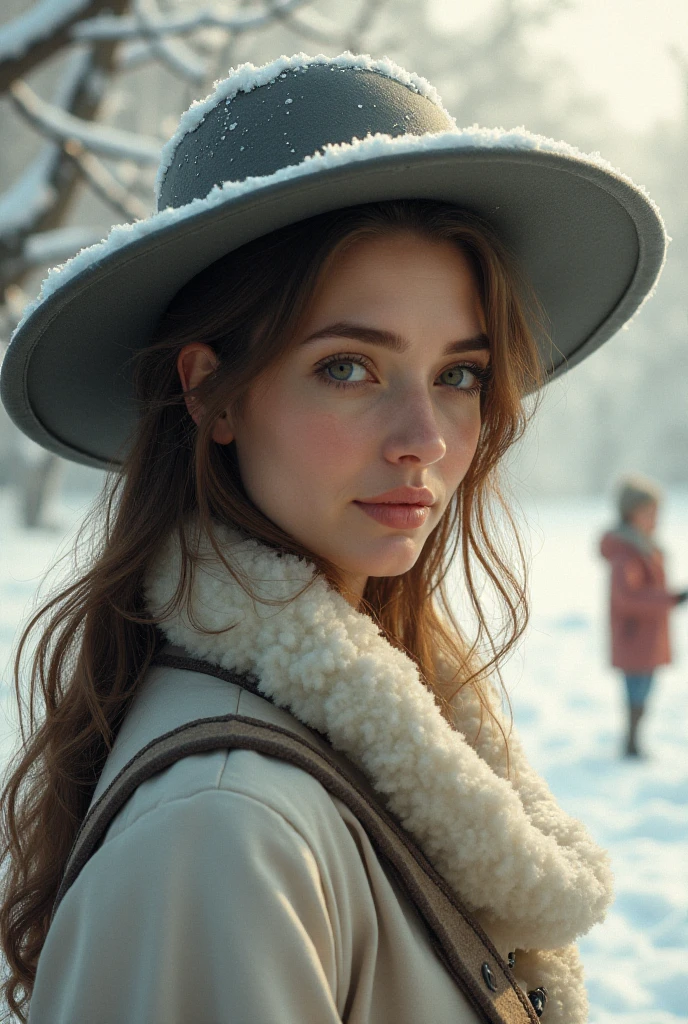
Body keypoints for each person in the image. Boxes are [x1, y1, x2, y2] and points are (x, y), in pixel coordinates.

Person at [0, 53, 667, 1024]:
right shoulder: (225, 833)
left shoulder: (357, 739)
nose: (426, 439)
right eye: (349, 367)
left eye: (460, 373)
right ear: (209, 391)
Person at [600, 474, 687, 758]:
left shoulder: (643, 546)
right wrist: (671, 599)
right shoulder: (627, 553)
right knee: (637, 691)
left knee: (645, 689)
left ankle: (634, 739)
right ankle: (632, 741)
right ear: (630, 514)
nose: (655, 519)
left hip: (646, 636)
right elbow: (628, 597)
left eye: (657, 513)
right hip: (635, 635)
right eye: (649, 513)